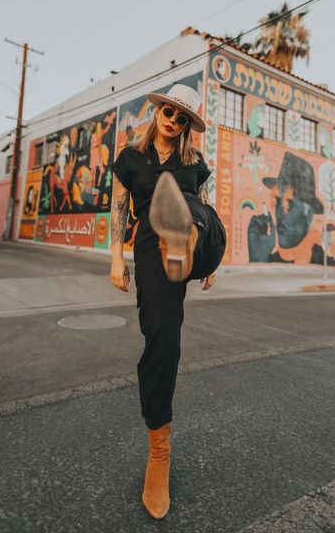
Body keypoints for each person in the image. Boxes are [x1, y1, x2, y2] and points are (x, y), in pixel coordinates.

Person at [109, 84, 226, 519]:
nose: (173, 121)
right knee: (162, 341)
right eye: (169, 112)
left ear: (186, 128)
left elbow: (210, 207)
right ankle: (159, 449)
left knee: (193, 209)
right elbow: (120, 208)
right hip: (150, 251)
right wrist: (117, 259)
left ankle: (186, 237)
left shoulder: (193, 163)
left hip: (195, 239)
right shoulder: (131, 159)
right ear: (158, 111)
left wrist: (210, 257)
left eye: (181, 119)